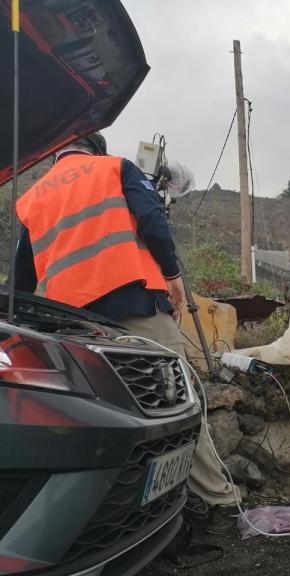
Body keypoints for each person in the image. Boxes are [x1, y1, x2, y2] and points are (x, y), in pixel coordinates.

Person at [14, 132, 236, 510]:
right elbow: (152, 220)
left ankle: (112, 506)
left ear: (57, 155)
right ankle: (218, 498)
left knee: (103, 414)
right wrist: (172, 275)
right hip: (134, 307)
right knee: (176, 401)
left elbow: (19, 282)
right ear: (95, 149)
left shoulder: (31, 198)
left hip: (70, 326)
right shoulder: (115, 168)